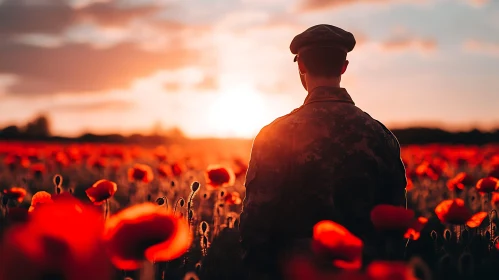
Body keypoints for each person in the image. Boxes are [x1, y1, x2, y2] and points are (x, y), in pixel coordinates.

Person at [239, 24, 408, 279]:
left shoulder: (276, 134)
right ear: (343, 67)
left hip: (296, 271)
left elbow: (256, 225)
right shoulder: (380, 136)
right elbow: (395, 224)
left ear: (301, 67)